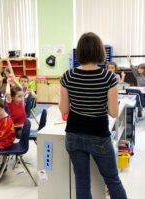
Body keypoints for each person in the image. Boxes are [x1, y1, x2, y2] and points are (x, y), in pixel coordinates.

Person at [59, 32, 127, 199]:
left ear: (80, 52)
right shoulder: (109, 77)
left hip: (73, 134)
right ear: (99, 52)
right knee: (112, 179)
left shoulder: (68, 76)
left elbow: (63, 110)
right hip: (98, 135)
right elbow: (113, 112)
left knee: (81, 181)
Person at [5, 63, 26, 138]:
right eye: (19, 96)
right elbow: (7, 93)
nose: (21, 98)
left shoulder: (21, 101)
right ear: (12, 97)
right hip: (15, 127)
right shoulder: (11, 102)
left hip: (23, 125)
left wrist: (14, 81)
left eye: (22, 96)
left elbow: (20, 87)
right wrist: (8, 82)